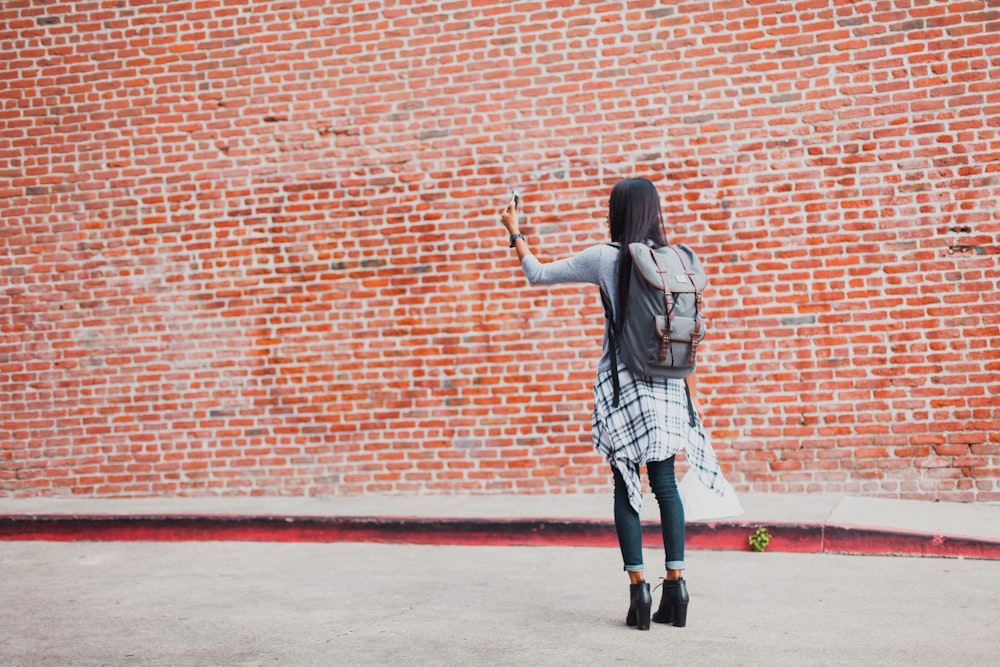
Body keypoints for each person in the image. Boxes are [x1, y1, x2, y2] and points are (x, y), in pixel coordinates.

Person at [498, 177, 734, 630]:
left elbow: (539, 273)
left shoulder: (607, 256)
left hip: (624, 387)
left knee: (626, 486)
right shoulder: (675, 259)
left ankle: (638, 594)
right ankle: (677, 588)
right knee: (665, 486)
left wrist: (515, 230)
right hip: (669, 387)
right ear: (654, 211)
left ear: (617, 211)